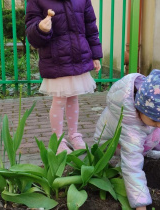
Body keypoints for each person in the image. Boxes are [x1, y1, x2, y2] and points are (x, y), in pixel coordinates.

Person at [94, 69, 160, 209]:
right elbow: (132, 168)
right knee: (132, 157)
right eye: (155, 120)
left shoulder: (142, 102)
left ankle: (144, 150)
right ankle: (121, 164)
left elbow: (152, 124)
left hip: (138, 132)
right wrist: (141, 204)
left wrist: (152, 124)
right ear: (141, 108)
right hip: (112, 146)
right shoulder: (129, 127)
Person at [25, 0, 103, 154]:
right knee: (59, 99)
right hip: (56, 59)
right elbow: (31, 32)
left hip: (78, 56)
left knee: (73, 97)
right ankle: (58, 140)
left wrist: (95, 55)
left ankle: (74, 135)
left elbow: (91, 27)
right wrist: (40, 28)